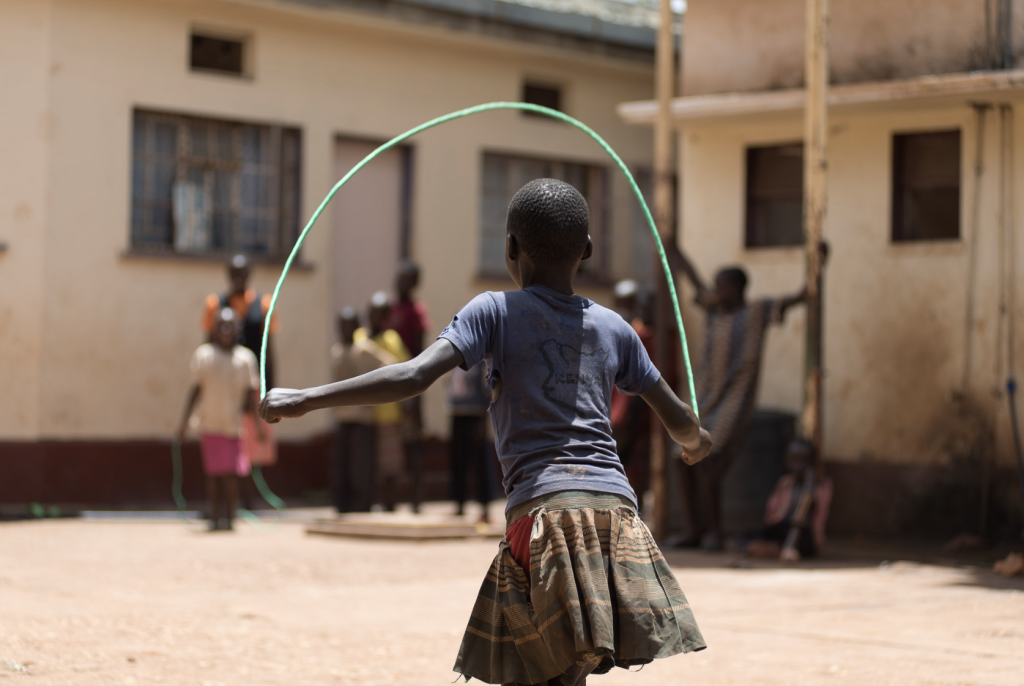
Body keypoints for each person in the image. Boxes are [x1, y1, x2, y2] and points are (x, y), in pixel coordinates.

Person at [260, 178, 712, 686]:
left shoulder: (493, 310)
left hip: (545, 515)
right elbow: (682, 424)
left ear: (510, 248)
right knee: (566, 673)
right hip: (618, 517)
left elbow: (412, 376)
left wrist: (304, 398)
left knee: (540, 672)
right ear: (586, 251)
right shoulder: (615, 327)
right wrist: (697, 443)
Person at [667, 243, 825, 551]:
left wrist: (819, 263)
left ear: (737, 289)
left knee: (709, 461)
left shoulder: (757, 311)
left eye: (722, 287)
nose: (716, 291)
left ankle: (714, 531)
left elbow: (800, 295)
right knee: (680, 460)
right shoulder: (713, 309)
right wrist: (674, 250)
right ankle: (693, 529)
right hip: (704, 399)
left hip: (734, 401)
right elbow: (694, 281)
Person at [200, 254, 279, 505]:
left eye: (242, 273)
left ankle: (248, 499)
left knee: (253, 440)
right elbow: (207, 345)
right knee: (225, 440)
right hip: (223, 386)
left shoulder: (264, 304)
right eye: (233, 274)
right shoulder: (215, 304)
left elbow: (270, 350)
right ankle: (224, 502)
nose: (238, 278)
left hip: (253, 383)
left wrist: (270, 389)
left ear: (249, 275)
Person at [177, 308, 261, 532]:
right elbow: (195, 389)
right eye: (221, 326)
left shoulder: (245, 359)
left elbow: (249, 396)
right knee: (214, 474)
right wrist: (184, 422)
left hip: (233, 425)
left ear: (237, 330)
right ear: (214, 329)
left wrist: (258, 424)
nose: (226, 330)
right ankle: (215, 517)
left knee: (231, 474)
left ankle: (230, 518)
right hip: (210, 422)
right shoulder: (204, 355)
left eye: (230, 326)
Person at [330, 307, 396, 513]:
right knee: (343, 465)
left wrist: (373, 396)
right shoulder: (337, 350)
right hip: (342, 417)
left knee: (361, 467)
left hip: (362, 418)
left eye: (349, 325)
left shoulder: (365, 349)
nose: (345, 330)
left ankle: (361, 506)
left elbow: (391, 365)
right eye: (342, 325)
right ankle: (343, 506)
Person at [354, 292, 411, 511]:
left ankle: (390, 503)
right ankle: (369, 502)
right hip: (364, 413)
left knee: (390, 463)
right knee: (367, 462)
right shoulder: (360, 336)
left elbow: (403, 367)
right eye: (372, 313)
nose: (375, 317)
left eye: (380, 313)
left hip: (388, 412)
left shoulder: (391, 339)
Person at [732, 439, 833, 561]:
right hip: (782, 529)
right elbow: (771, 516)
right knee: (744, 536)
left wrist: (809, 483)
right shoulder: (786, 483)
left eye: (803, 460)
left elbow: (812, 515)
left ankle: (784, 548)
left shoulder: (821, 485)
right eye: (794, 459)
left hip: (805, 536)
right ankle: (776, 549)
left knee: (801, 524)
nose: (798, 465)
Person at [387, 260, 432, 513]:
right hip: (391, 381)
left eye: (406, 278)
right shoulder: (391, 308)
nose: (400, 282)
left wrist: (417, 392)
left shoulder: (416, 311)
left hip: (409, 381)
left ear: (414, 283)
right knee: (390, 441)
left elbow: (419, 349)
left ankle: (416, 499)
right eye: (399, 277)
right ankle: (389, 500)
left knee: (412, 441)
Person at [609, 279, 656, 495]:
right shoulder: (615, 328)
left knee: (631, 459)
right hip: (616, 409)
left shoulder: (643, 335)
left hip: (632, 409)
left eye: (627, 302)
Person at [446, 363, 494, 523]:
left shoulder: (481, 363)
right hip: (457, 413)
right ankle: (459, 503)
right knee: (458, 461)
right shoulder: (454, 361)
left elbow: (487, 390)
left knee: (480, 463)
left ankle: (485, 506)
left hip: (475, 415)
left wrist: (483, 421)